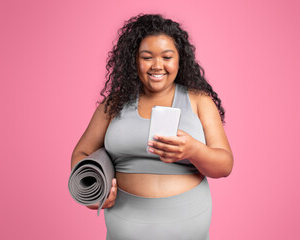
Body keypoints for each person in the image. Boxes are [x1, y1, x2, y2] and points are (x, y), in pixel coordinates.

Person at [71, 13, 234, 240]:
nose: (157, 66)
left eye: (167, 57)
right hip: (125, 224)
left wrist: (193, 150)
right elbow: (82, 153)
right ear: (134, 60)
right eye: (147, 57)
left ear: (180, 60)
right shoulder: (113, 105)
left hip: (187, 222)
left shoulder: (199, 102)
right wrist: (94, 194)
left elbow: (225, 165)